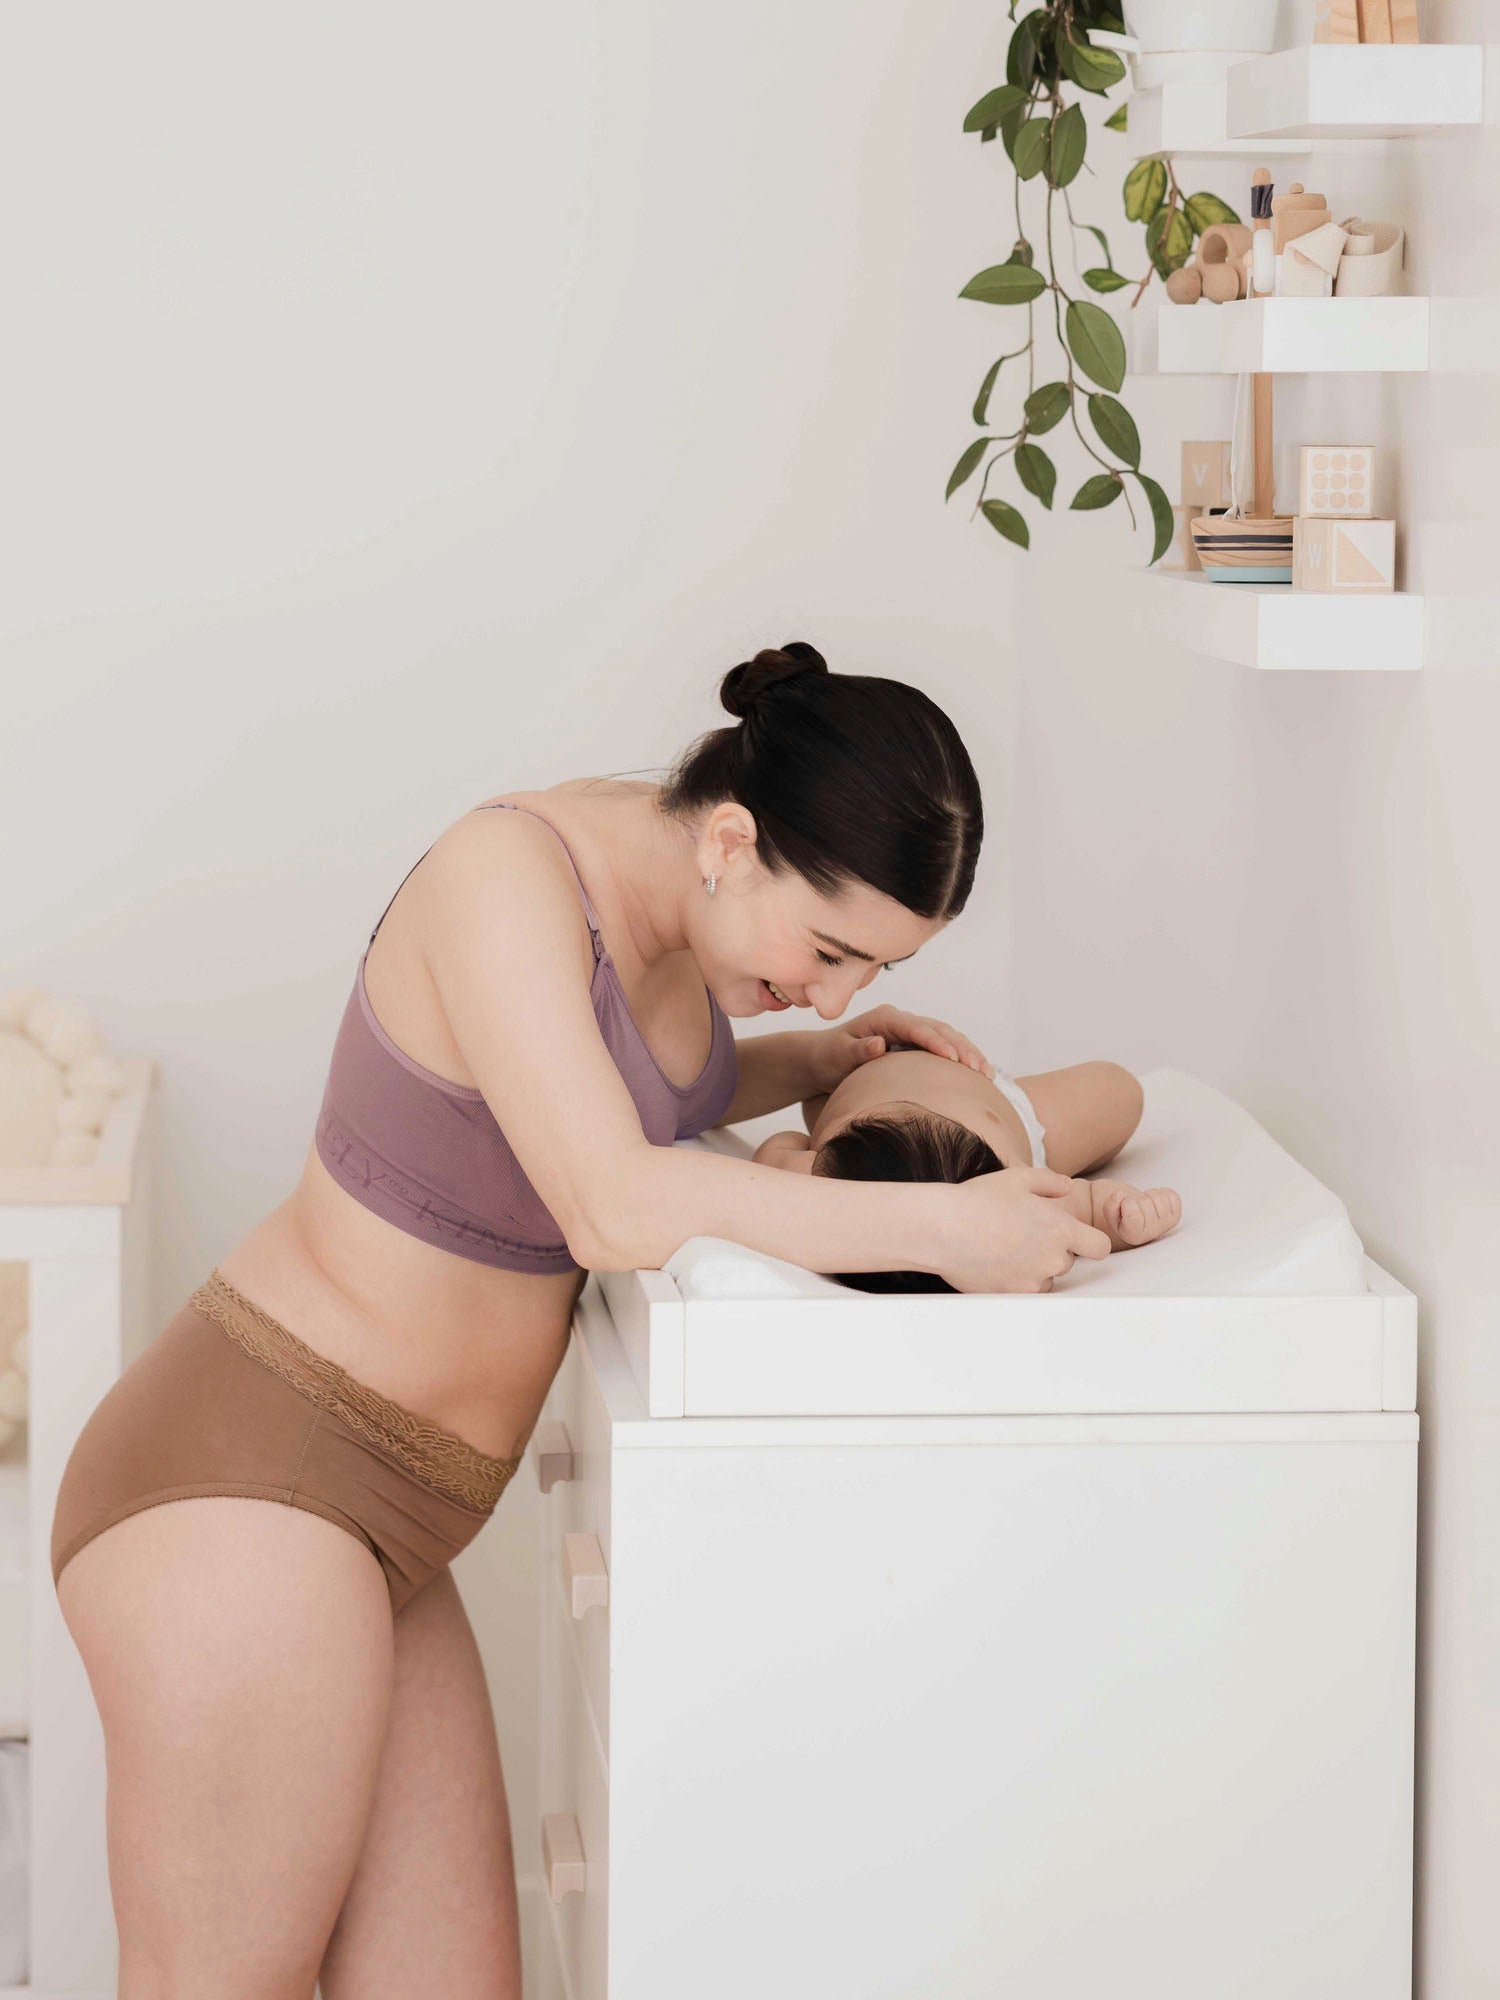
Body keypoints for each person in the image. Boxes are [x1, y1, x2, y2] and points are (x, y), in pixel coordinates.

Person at [49, 641, 1111, 1999]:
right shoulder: (510, 877)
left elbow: (627, 1086)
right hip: (260, 1475)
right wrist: (946, 1228)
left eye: (871, 971)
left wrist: (817, 1057)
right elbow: (610, 1200)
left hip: (394, 1521)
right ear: (733, 840)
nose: (838, 986)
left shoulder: (690, 936)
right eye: (831, 952)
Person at [750, 1043, 1182, 1290]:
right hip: (1008, 1111)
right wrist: (1121, 1216)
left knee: (817, 1102)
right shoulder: (1014, 1199)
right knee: (1119, 1091)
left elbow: (775, 1154)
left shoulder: (813, 1182)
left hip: (866, 1072)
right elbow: (1085, 1206)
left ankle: (833, 1105)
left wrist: (806, 1145)